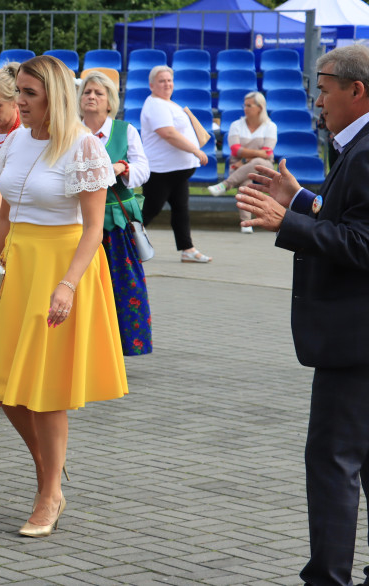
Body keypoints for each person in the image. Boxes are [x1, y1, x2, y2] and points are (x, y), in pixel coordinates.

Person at [0, 55, 127, 538]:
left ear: (54, 97)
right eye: (18, 91)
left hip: (62, 266)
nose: (19, 101)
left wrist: (67, 285)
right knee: (3, 385)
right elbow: (4, 213)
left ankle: (47, 494)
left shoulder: (83, 148)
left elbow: (94, 230)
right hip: (17, 267)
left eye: (29, 94)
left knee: (44, 393)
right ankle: (50, 469)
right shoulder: (16, 140)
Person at [236, 44, 369, 586]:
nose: (317, 98)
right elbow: (347, 216)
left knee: (333, 461)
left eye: (324, 86)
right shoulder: (356, 145)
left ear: (356, 90)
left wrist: (283, 223)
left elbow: (362, 243)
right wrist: (299, 200)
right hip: (356, 335)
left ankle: (327, 578)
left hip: (354, 339)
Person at [79, 71, 153, 357]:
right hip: (82, 220)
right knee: (86, 284)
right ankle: (87, 346)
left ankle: (122, 348)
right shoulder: (73, 132)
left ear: (110, 102)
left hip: (117, 221)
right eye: (87, 92)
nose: (92, 97)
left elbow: (144, 170)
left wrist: (122, 168)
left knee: (124, 285)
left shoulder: (125, 131)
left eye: (99, 93)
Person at [139, 65, 211, 263]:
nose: (167, 84)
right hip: (162, 171)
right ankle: (119, 245)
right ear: (152, 85)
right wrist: (195, 150)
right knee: (148, 211)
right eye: (162, 81)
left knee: (181, 209)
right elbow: (168, 133)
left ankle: (187, 249)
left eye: (169, 80)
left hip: (176, 171)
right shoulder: (155, 105)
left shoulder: (166, 103)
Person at [207, 91, 277, 234]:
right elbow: (235, 150)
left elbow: (267, 153)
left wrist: (245, 159)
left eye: (249, 105)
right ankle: (246, 223)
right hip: (237, 165)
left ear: (260, 107)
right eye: (244, 105)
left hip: (263, 166)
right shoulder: (236, 124)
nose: (245, 108)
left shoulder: (270, 126)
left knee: (259, 162)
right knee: (246, 183)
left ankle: (226, 185)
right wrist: (255, 154)